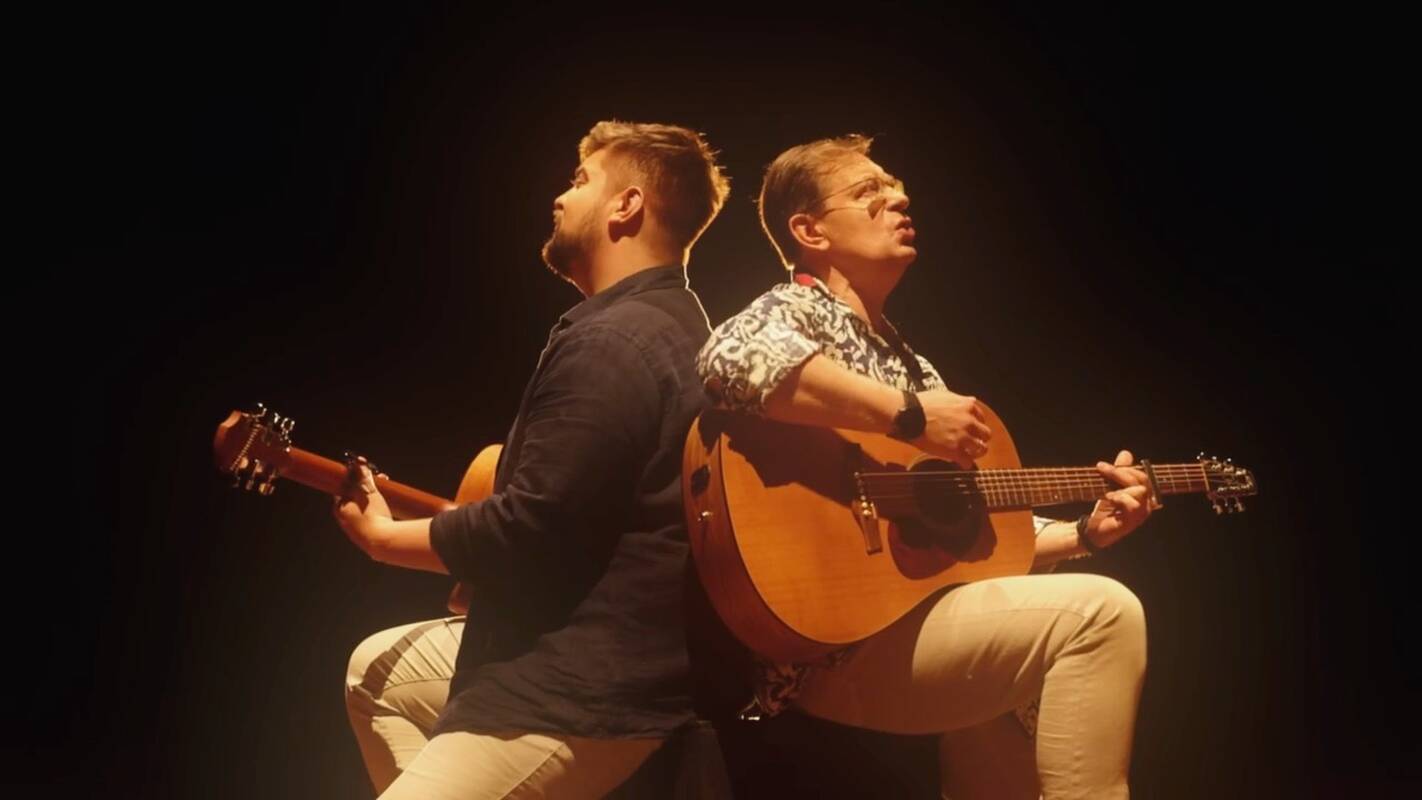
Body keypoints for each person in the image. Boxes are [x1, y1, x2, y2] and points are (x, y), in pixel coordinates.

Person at [695, 134, 1155, 800]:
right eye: (869, 191)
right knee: (1101, 614)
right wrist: (908, 414)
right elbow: (728, 358)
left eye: (897, 187)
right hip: (833, 645)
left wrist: (1083, 533)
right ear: (810, 231)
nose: (900, 198)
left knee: (1008, 733)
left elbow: (964, 537)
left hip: (910, 619)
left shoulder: (912, 365)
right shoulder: (794, 310)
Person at [334, 120, 730, 799]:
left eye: (580, 181)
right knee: (375, 673)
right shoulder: (677, 326)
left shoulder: (615, 341)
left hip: (577, 689)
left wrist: (381, 538)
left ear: (627, 205)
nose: (560, 198)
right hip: (626, 662)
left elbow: (531, 527)